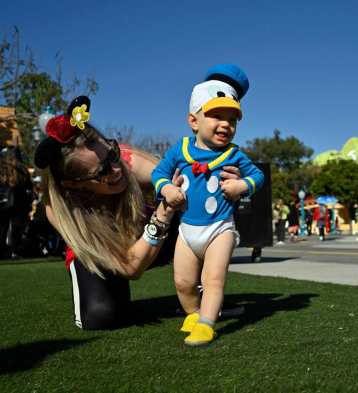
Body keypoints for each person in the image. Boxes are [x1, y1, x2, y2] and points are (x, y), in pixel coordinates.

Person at [35, 96, 186, 329]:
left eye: (113, 153)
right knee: (99, 315)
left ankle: (198, 286)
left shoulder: (127, 160)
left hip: (142, 232)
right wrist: (163, 215)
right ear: (75, 184)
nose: (117, 168)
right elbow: (130, 268)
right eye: (103, 171)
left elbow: (184, 185)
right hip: (102, 254)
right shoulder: (59, 208)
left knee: (192, 210)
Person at [151, 64, 264, 346]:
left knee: (213, 280)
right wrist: (166, 189)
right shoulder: (180, 149)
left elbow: (257, 176)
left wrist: (242, 186)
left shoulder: (234, 155)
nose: (226, 124)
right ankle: (193, 313)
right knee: (183, 283)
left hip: (219, 229)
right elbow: (158, 173)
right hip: (187, 230)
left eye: (232, 119)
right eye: (216, 115)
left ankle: (207, 323)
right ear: (193, 120)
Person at [0, 147, 34, 259]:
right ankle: (12, 250)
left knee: (4, 227)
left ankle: (5, 250)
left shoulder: (5, 168)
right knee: (16, 228)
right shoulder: (21, 169)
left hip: (6, 202)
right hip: (19, 203)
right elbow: (29, 186)